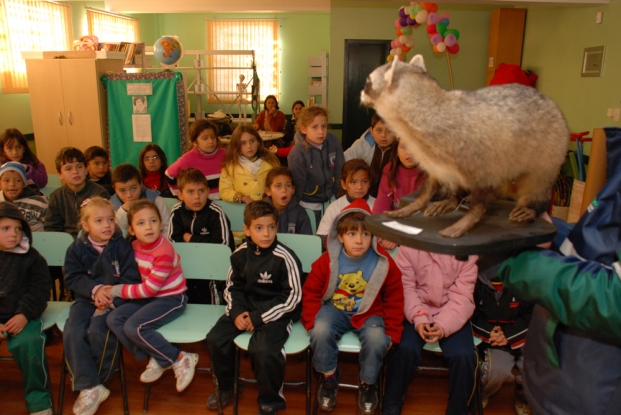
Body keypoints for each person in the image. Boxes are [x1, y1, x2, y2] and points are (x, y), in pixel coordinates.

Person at [301, 199, 404, 415]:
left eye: (365, 234)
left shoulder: (384, 262)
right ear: (340, 236)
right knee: (319, 331)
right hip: (335, 309)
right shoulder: (327, 260)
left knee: (378, 340)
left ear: (373, 235)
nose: (359, 241)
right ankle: (329, 377)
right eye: (352, 234)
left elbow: (395, 298)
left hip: (370, 313)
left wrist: (393, 332)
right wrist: (312, 322)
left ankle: (368, 383)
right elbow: (310, 291)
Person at [206, 201, 303, 415]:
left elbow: (293, 297)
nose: (266, 233)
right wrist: (236, 313)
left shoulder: (285, 257)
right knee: (215, 338)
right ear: (247, 230)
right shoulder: (239, 254)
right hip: (245, 308)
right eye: (259, 228)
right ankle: (227, 386)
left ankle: (271, 399)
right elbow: (232, 287)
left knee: (263, 349)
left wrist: (258, 317)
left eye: (271, 227)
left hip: (277, 313)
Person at [104, 199, 199, 393]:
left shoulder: (163, 250)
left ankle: (179, 358)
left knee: (134, 327)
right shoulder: (134, 246)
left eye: (153, 221)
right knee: (113, 319)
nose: (148, 227)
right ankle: (155, 356)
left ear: (160, 223)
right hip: (148, 298)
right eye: (141, 223)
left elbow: (149, 290)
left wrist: (114, 291)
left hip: (171, 298)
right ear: (131, 230)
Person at [62, 197, 142, 415]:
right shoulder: (76, 248)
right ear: (86, 226)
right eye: (99, 221)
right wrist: (95, 290)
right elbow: (72, 277)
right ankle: (90, 386)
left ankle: (95, 382)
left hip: (114, 301)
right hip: (85, 299)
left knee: (99, 330)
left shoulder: (122, 246)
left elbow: (131, 277)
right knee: (74, 330)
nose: (107, 225)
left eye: (110, 220)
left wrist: (110, 296)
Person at [382, 246, 478, 415]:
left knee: (464, 356)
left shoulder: (467, 252)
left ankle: (458, 410)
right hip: (415, 309)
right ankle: (391, 405)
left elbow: (463, 296)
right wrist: (419, 318)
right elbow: (405, 287)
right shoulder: (409, 245)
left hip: (452, 313)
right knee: (404, 348)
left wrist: (442, 326)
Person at [0, 201, 53, 415]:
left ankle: (39, 403)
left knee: (29, 345)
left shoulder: (33, 259)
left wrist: (23, 314)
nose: (13, 234)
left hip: (24, 316)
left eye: (18, 228)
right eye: (5, 228)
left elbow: (40, 290)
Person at [472, 255, 534, 414]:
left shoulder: (525, 280)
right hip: (492, 338)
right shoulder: (474, 280)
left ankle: (523, 397)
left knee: (534, 368)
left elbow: (533, 315)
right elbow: (470, 314)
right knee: (496, 371)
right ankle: (482, 393)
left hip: (524, 336)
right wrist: (490, 332)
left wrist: (508, 334)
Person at [287, 106, 345, 224]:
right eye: (315, 127)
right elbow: (297, 185)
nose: (321, 131)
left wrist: (338, 197)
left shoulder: (333, 141)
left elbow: (340, 171)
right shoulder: (297, 153)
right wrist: (294, 210)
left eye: (324, 126)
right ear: (303, 129)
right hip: (308, 204)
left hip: (331, 200)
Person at [44, 147, 109, 238]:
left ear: (86, 169)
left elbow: (105, 225)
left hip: (93, 240)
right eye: (68, 169)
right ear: (60, 175)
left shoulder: (99, 193)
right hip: (65, 243)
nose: (75, 172)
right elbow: (51, 228)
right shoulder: (56, 196)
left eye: (79, 167)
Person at [372, 140, 425, 250]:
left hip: (420, 232)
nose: (409, 152)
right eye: (404, 147)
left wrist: (398, 236)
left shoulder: (430, 174)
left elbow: (425, 217)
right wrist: (381, 232)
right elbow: (381, 206)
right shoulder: (390, 170)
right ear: (396, 150)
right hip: (394, 226)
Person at [219, 125, 280, 205]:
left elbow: (280, 184)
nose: (249, 146)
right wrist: (243, 198)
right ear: (237, 146)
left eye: (252, 141)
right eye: (243, 143)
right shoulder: (230, 167)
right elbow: (224, 191)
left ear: (258, 142)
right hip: (244, 210)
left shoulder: (272, 163)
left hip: (268, 208)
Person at [316, 159, 375, 240]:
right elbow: (322, 236)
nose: (360, 187)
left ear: (370, 182)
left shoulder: (377, 205)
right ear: (344, 184)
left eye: (364, 181)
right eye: (353, 182)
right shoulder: (334, 207)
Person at [166, 119, 226, 199]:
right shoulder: (187, 159)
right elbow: (169, 174)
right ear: (195, 141)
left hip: (225, 203)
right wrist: (180, 195)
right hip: (201, 206)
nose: (210, 141)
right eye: (205, 138)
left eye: (213, 137)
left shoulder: (225, 154)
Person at [110, 163, 171, 235]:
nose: (129, 195)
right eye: (123, 191)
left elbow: (167, 227)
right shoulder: (111, 206)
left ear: (140, 184)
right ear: (115, 189)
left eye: (133, 188)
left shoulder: (156, 200)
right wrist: (123, 211)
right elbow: (116, 232)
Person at [344, 114, 397, 198]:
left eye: (389, 131)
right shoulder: (361, 145)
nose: (383, 135)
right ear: (371, 131)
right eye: (379, 130)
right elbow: (344, 165)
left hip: (391, 197)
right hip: (362, 195)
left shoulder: (401, 150)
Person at [263, 165, 312, 235]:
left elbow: (307, 241)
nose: (284, 190)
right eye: (278, 186)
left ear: (293, 190)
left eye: (288, 185)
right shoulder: (260, 212)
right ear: (268, 191)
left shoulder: (300, 213)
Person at [0, 162, 47, 232]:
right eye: (6, 180)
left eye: (18, 180)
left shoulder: (39, 202)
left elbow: (51, 226)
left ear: (24, 183)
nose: (12, 184)